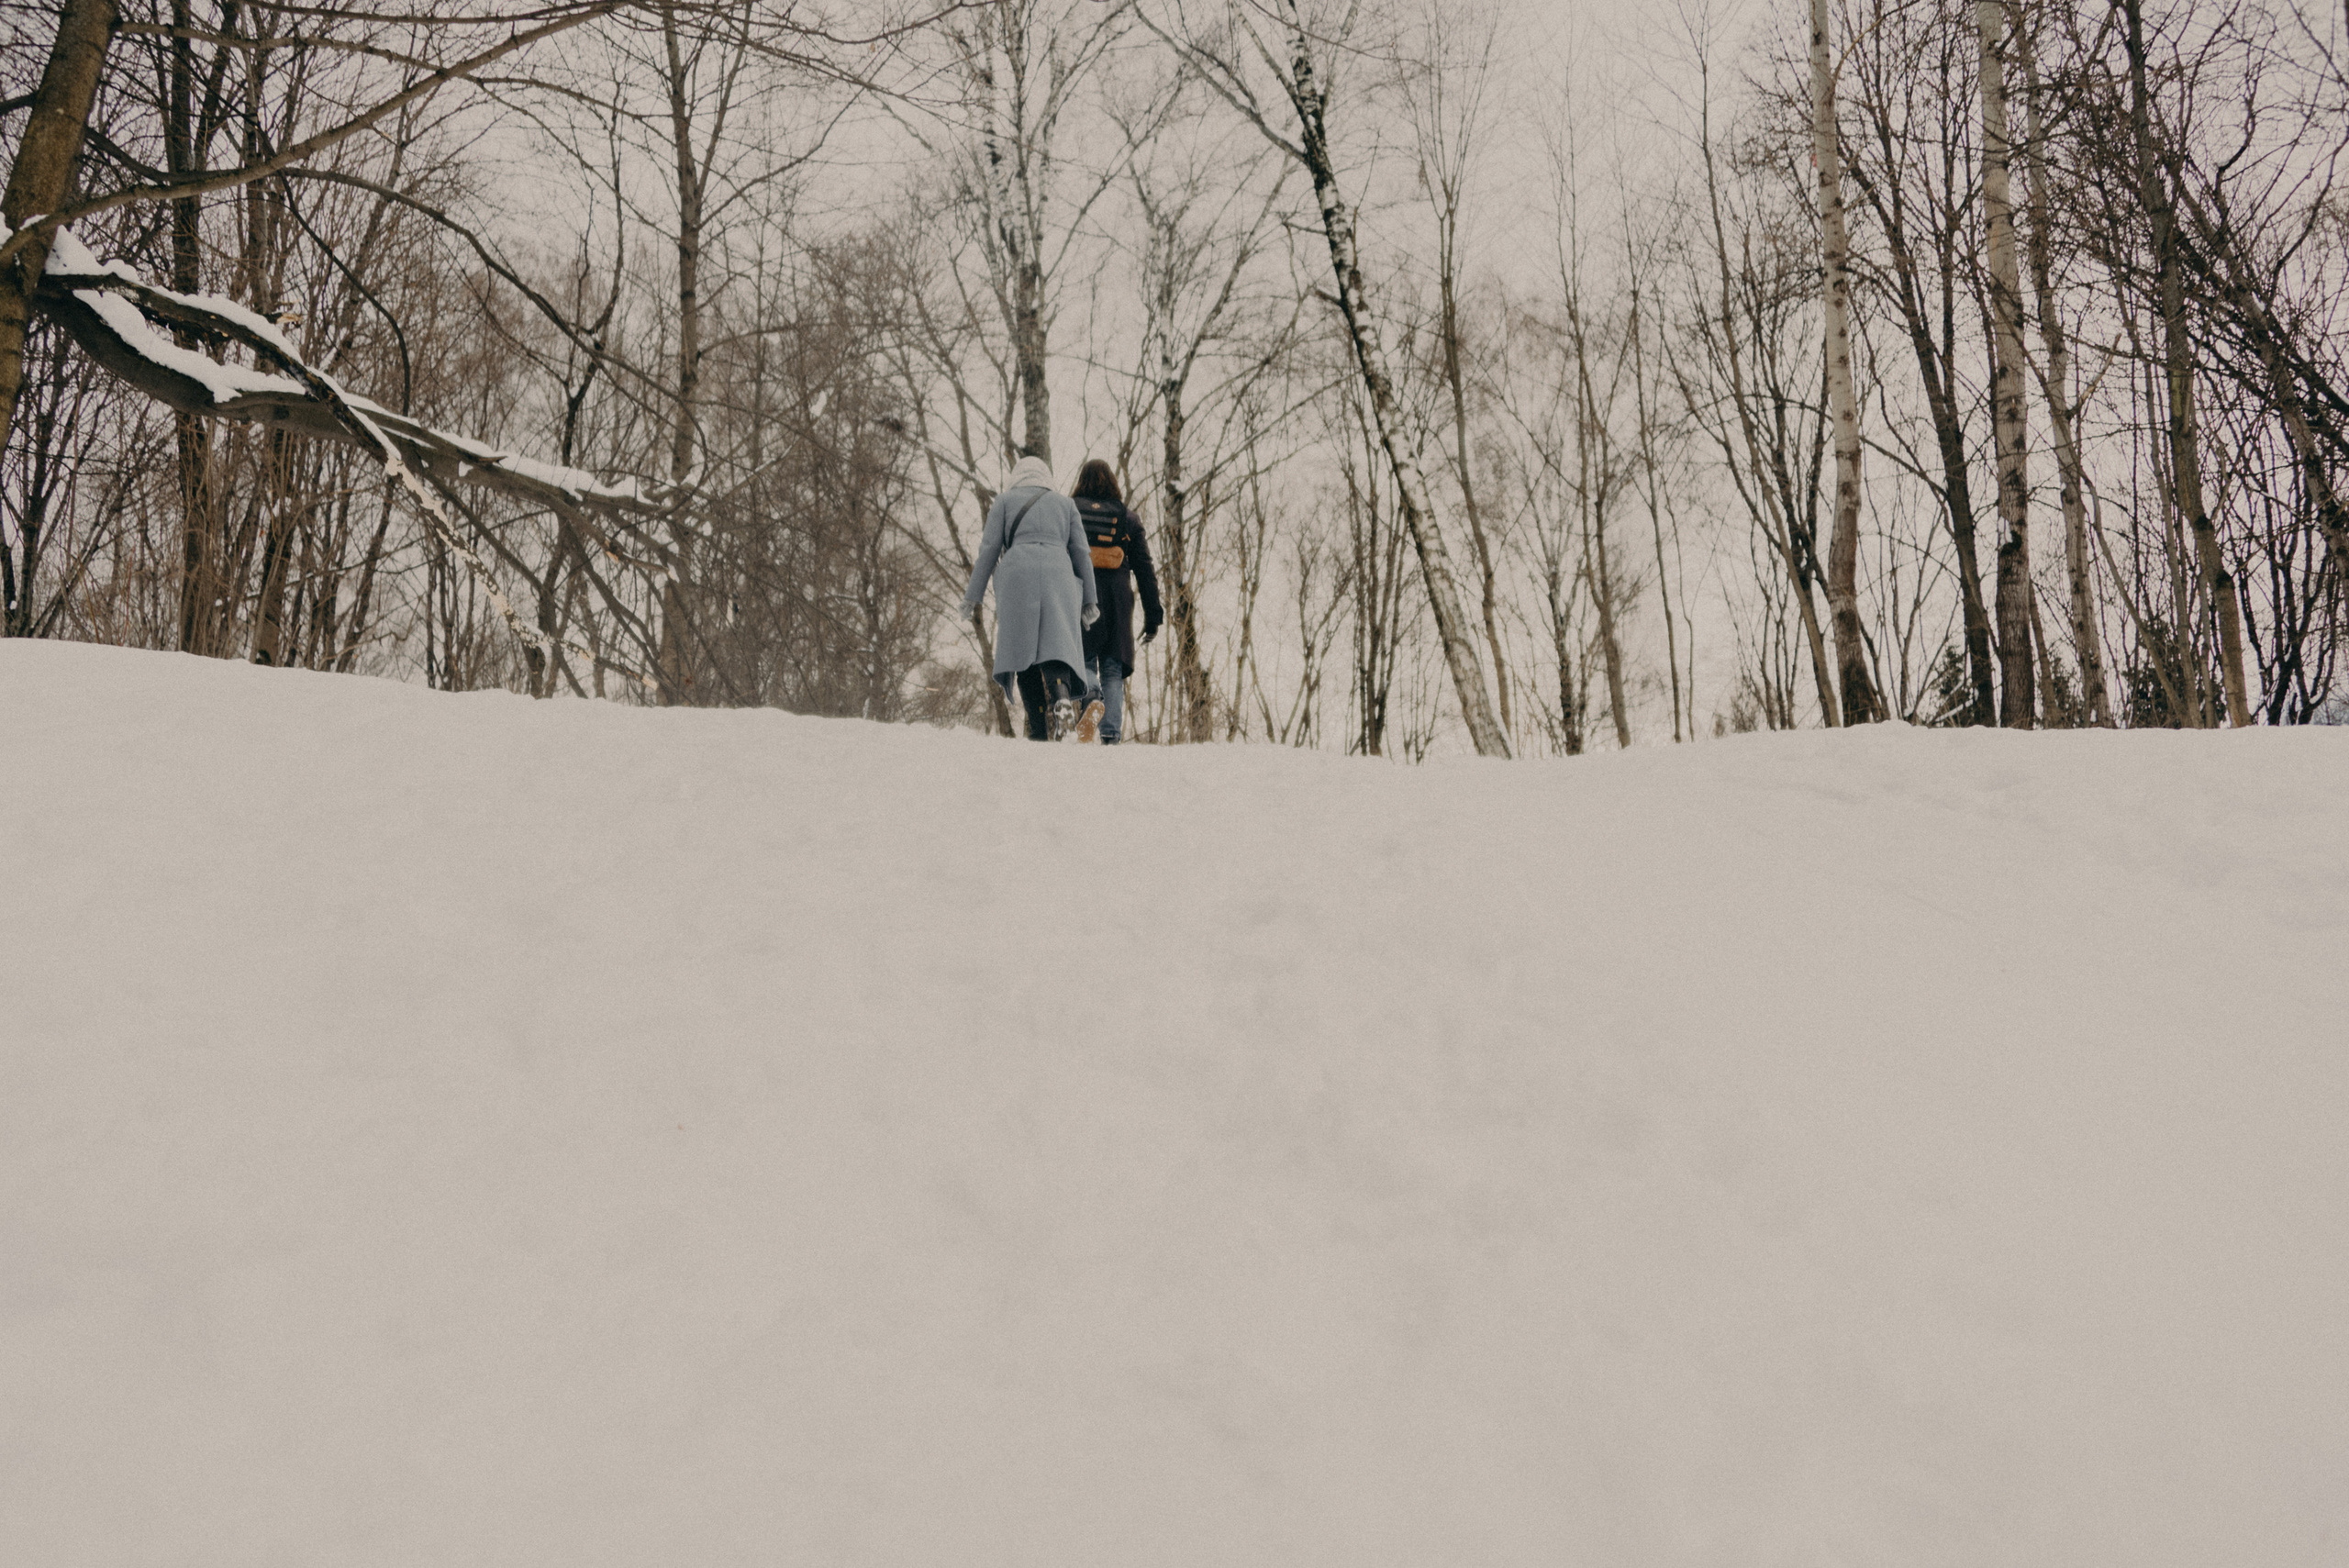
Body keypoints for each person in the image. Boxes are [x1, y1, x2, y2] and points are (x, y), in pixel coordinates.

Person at [963, 452, 1099, 740]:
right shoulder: (1065, 505)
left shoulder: (1003, 501)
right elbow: (1082, 555)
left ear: (1017, 477)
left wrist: (972, 596)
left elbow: (988, 550)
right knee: (1056, 646)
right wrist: (1090, 599)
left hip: (1017, 576)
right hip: (1058, 574)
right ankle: (1062, 702)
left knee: (1021, 652)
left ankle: (1037, 729)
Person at [1070, 459, 1162, 744]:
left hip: (1080, 594)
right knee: (1112, 666)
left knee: (1081, 659)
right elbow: (1145, 570)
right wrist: (1153, 616)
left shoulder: (1069, 513)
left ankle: (1092, 694)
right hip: (1117, 598)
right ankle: (1110, 733)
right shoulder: (1128, 519)